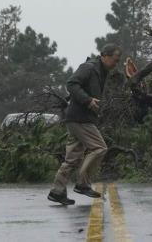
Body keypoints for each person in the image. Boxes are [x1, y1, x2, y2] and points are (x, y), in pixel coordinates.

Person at [47, 43, 122, 205]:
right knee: (100, 148)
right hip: (80, 118)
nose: (116, 64)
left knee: (72, 158)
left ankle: (57, 191)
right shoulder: (89, 68)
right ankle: (83, 184)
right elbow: (71, 84)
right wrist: (88, 101)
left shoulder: (102, 71)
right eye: (115, 60)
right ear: (105, 56)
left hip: (78, 118)